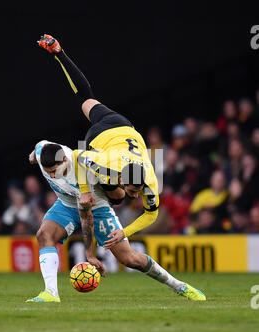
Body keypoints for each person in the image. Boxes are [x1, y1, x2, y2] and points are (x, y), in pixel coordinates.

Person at [35, 34, 207, 301]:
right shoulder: (107, 167)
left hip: (124, 130)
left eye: (137, 191)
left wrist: (124, 232)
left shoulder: (150, 180)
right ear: (121, 178)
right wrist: (84, 191)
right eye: (132, 189)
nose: (136, 195)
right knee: (85, 98)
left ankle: (180, 286)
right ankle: (59, 52)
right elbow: (80, 155)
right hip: (101, 138)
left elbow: (151, 214)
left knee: (129, 258)